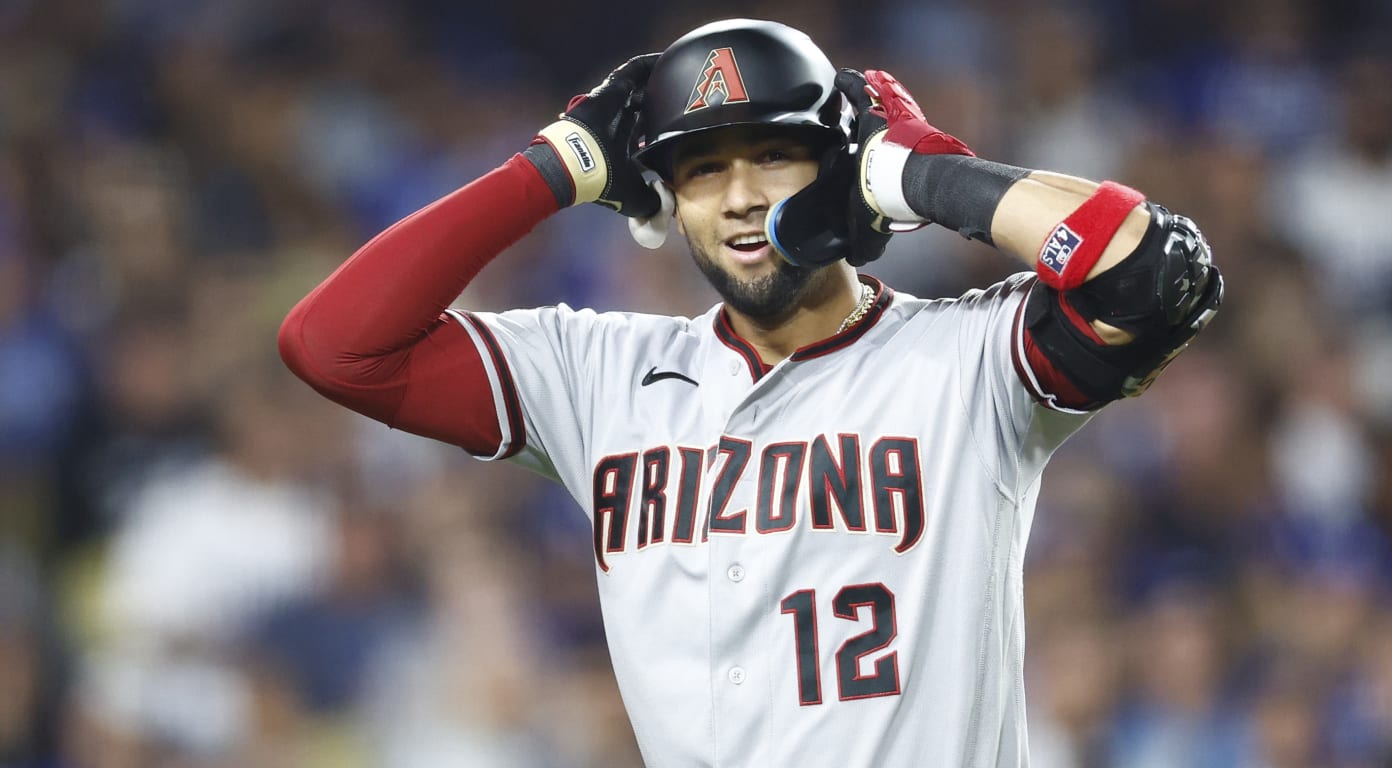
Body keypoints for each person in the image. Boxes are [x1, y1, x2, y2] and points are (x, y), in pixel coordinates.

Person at [278, 17, 1222, 768]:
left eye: (771, 156)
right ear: (665, 202)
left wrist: (916, 170)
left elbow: (1153, 275)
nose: (736, 197)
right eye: (701, 169)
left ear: (836, 170)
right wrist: (552, 170)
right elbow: (334, 347)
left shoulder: (967, 361)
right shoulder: (599, 377)